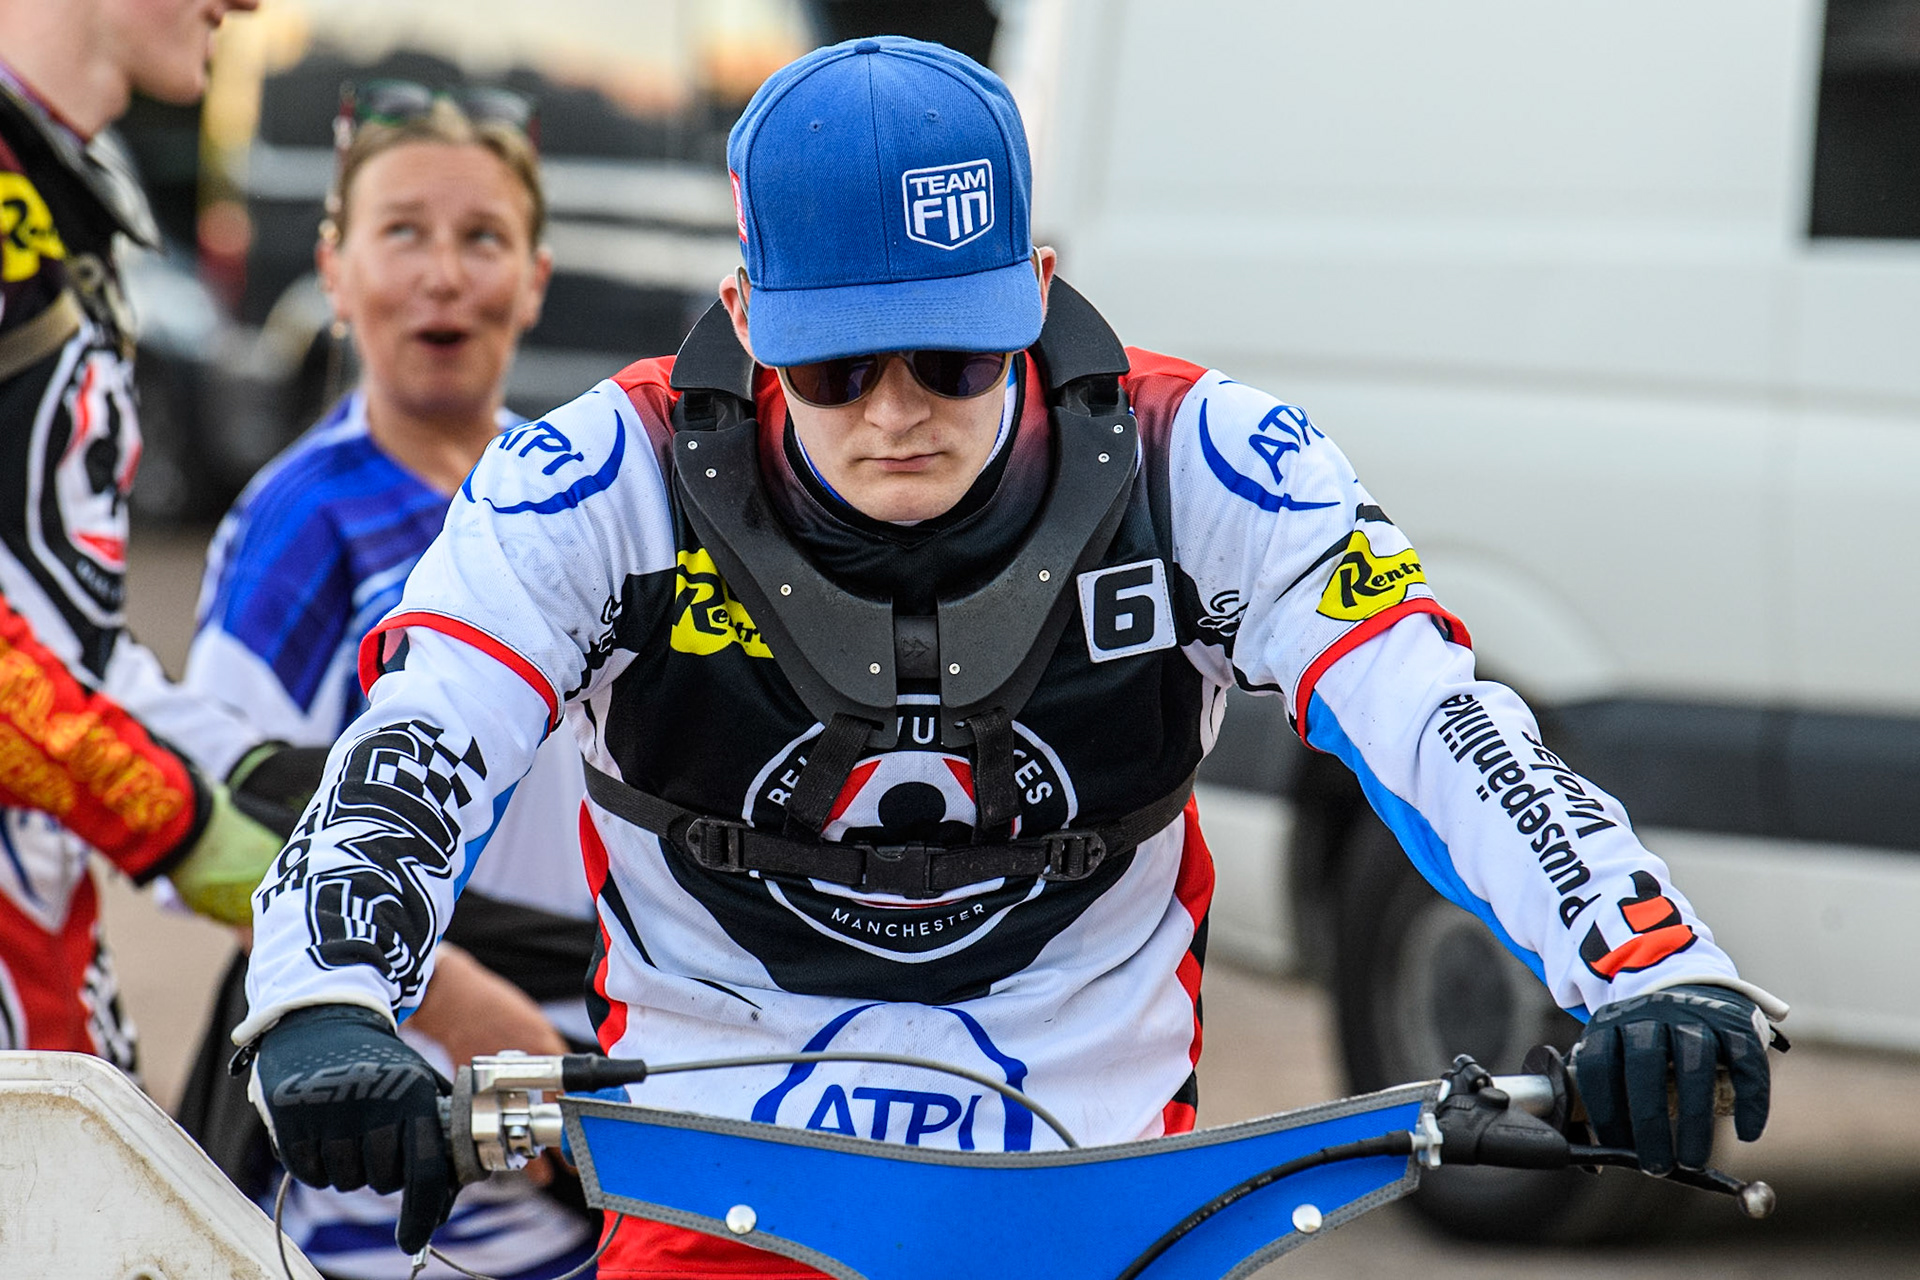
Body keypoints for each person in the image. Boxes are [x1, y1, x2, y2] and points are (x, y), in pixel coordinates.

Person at [238, 36, 1788, 1277]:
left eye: (958, 355)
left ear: (1038, 294)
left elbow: (1441, 722)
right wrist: (326, 995)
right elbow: (423, 737)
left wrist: (1653, 968)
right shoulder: (596, 481)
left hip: (1098, 1170)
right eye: (836, 365)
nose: (899, 408)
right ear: (743, 313)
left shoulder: (1216, 460)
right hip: (729, 1162)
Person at [180, 86, 600, 1279]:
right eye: (403, 231)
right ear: (335, 264)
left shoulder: (580, 496)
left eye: (483, 239)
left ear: (534, 275)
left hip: (606, 1065)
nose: (444, 273)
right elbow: (221, 814)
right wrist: (455, 1003)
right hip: (404, 1081)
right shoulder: (299, 523)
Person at [0, 0, 297, 1074]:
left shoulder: (52, 175)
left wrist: (268, 785)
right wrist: (188, 828)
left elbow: (63, 625)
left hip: (46, 937)